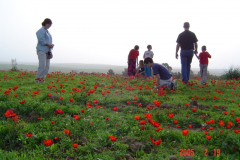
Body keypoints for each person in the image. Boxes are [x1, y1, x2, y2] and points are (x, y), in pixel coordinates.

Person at [36, 18, 54, 83]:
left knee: (47, 66)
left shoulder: (47, 32)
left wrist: (50, 50)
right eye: (49, 25)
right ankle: (38, 78)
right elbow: (41, 40)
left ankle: (42, 78)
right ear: (46, 23)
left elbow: (49, 41)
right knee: (42, 65)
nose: (49, 26)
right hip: (42, 50)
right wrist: (48, 45)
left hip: (48, 51)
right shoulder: (40, 31)